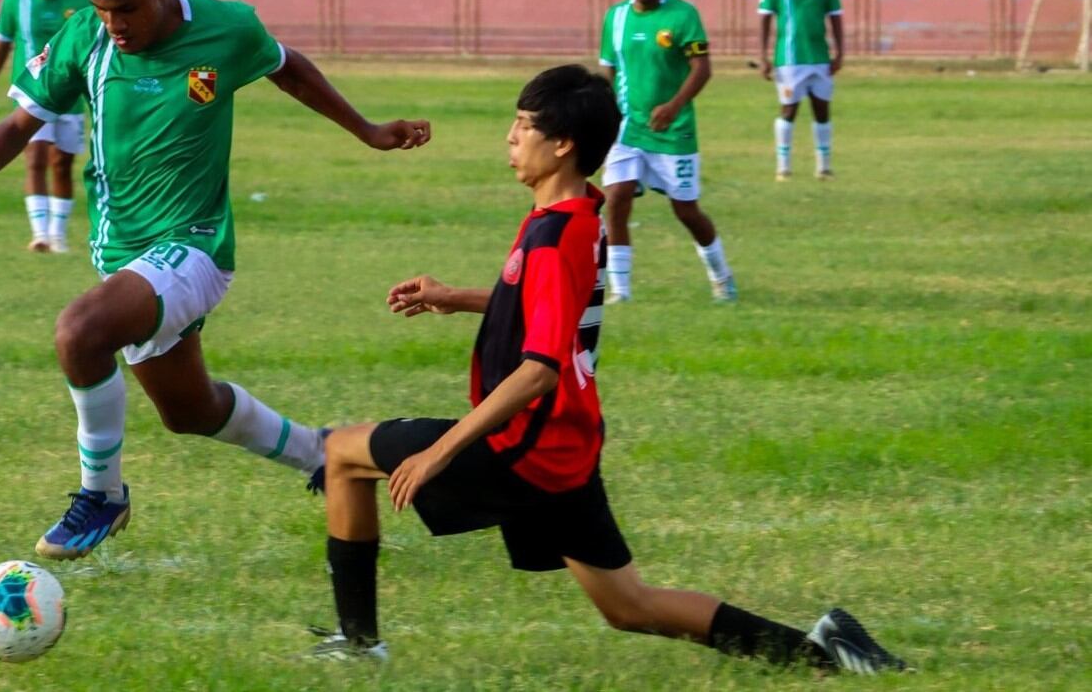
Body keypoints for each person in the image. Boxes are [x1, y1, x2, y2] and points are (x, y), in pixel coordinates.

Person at [308, 65, 906, 677]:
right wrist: (455, 295)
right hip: (565, 442)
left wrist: (442, 450)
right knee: (629, 606)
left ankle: (358, 645)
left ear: (563, 143)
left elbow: (539, 369)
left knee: (342, 455)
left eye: (523, 126)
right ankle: (823, 651)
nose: (510, 138)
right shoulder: (579, 214)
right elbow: (549, 304)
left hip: (523, 445)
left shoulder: (556, 234)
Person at [0, 0, 431, 560]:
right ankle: (324, 453)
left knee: (80, 332)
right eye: (104, 11)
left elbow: (287, 67)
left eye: (128, 8)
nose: (115, 25)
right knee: (189, 410)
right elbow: (22, 123)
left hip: (196, 246)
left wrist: (367, 129)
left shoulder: (228, 29)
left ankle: (101, 495)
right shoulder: (85, 37)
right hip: (126, 256)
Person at [598, 0, 735, 304]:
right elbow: (607, 71)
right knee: (616, 199)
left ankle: (722, 277)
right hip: (627, 128)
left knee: (686, 210)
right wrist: (600, 113)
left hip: (674, 131)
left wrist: (674, 106)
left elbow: (702, 69)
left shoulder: (683, 16)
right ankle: (621, 292)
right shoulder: (616, 17)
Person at [0, 0, 91, 253]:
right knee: (35, 158)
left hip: (70, 96)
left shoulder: (79, 1)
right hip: (33, 96)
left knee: (62, 164)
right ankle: (40, 233)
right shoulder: (17, 0)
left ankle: (58, 235)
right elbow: (1, 44)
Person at [758, 0, 845, 182]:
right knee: (788, 110)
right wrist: (763, 55)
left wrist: (839, 52)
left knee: (822, 111)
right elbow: (765, 17)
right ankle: (783, 166)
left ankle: (824, 167)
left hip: (819, 57)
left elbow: (835, 17)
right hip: (789, 59)